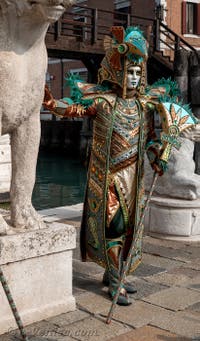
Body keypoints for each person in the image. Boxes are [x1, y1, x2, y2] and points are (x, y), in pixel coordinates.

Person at [43, 26, 169, 305]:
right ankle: (115, 280)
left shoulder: (143, 107)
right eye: (129, 72)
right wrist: (51, 102)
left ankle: (115, 272)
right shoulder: (102, 102)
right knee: (114, 225)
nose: (134, 78)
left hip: (134, 179)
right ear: (117, 72)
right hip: (108, 178)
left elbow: (149, 140)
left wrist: (157, 157)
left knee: (129, 230)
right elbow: (73, 107)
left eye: (138, 73)